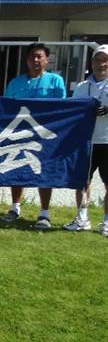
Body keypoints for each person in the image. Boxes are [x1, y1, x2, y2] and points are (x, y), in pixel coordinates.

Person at [2, 42, 66, 229]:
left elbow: (63, 108)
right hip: (20, 134)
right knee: (17, 171)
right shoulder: (16, 83)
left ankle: (44, 213)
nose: (35, 60)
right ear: (26, 60)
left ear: (46, 60)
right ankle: (15, 207)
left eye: (39, 56)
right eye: (32, 56)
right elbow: (6, 107)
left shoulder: (55, 81)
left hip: (45, 135)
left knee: (44, 173)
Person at [64, 44, 108, 235]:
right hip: (85, 141)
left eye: (105, 60)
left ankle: (106, 222)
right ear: (92, 62)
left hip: (106, 141)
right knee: (82, 181)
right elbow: (73, 111)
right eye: (98, 60)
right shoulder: (82, 87)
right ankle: (82, 218)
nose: (101, 64)